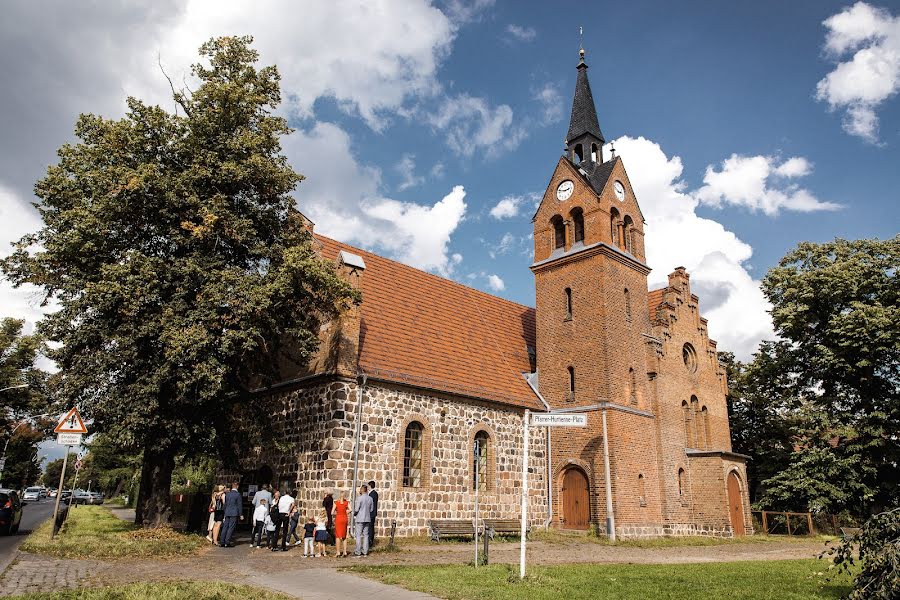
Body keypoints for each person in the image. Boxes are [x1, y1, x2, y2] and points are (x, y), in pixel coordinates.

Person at [219, 481, 243, 547]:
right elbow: (239, 505)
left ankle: (222, 542)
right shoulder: (238, 494)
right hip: (234, 512)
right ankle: (227, 542)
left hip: (227, 512)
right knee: (231, 527)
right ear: (237, 486)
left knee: (225, 526)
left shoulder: (228, 494)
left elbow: (225, 504)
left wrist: (224, 511)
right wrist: (241, 514)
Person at [353, 484, 373, 556]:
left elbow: (356, 509)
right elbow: (371, 509)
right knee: (366, 535)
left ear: (362, 490)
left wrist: (354, 514)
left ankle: (358, 551)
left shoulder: (359, 498)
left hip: (359, 518)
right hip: (367, 518)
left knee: (358, 535)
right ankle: (365, 551)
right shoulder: (370, 499)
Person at [332, 490, 350, 557]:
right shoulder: (346, 502)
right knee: (344, 535)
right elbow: (350, 509)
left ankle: (338, 552)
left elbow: (332, 512)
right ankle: (345, 552)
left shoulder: (336, 503)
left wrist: (337, 513)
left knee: (337, 536)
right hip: (344, 518)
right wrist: (345, 512)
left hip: (338, 519)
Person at [367, 480, 378, 546]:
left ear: (370, 486)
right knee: (371, 527)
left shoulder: (372, 494)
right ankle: (370, 540)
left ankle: (370, 541)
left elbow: (370, 504)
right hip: (373, 513)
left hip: (371, 513)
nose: (368, 487)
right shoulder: (374, 493)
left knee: (370, 528)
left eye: (368, 486)